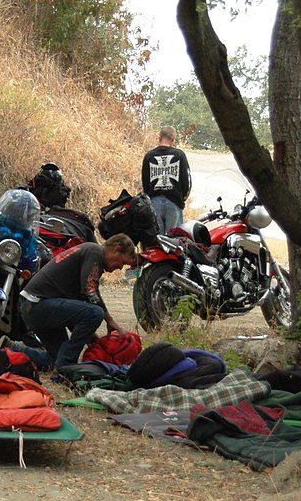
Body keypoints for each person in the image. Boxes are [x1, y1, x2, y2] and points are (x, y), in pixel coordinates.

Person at [18, 234, 137, 370]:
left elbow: (75, 301)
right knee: (96, 313)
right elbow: (89, 291)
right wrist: (110, 321)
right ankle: (67, 366)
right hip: (38, 304)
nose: (120, 268)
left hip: (32, 306)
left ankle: (13, 349)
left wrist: (88, 335)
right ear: (116, 249)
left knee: (55, 358)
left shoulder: (89, 253)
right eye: (122, 262)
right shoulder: (95, 252)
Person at [141, 125, 191, 234]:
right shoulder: (179, 155)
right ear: (173, 139)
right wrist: (181, 199)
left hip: (154, 202)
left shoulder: (149, 156)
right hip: (174, 202)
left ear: (159, 138)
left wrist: (149, 197)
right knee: (174, 239)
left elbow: (145, 181)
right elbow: (187, 181)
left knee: (157, 238)